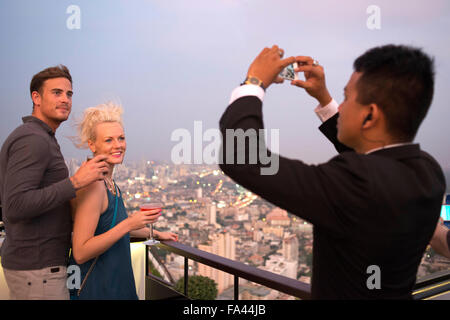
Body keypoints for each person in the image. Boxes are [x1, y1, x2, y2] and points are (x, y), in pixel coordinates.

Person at [219, 44, 446, 299]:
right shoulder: (429, 172)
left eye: (347, 98)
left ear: (369, 115)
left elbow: (242, 157)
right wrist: (324, 100)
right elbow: (370, 159)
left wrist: (254, 83)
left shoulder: (355, 183)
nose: (344, 106)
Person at [0, 65, 109, 300]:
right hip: (38, 270)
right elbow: (15, 205)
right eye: (56, 93)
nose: (65, 100)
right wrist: (76, 182)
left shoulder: (40, 137)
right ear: (36, 98)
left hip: (36, 268)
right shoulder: (33, 139)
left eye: (69, 94)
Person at [69, 103, 178, 299]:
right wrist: (129, 223)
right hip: (98, 289)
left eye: (121, 138)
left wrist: (157, 233)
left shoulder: (108, 181)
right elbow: (80, 252)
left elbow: (111, 226)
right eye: (109, 140)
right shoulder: (94, 185)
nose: (118, 145)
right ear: (92, 144)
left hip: (113, 284)